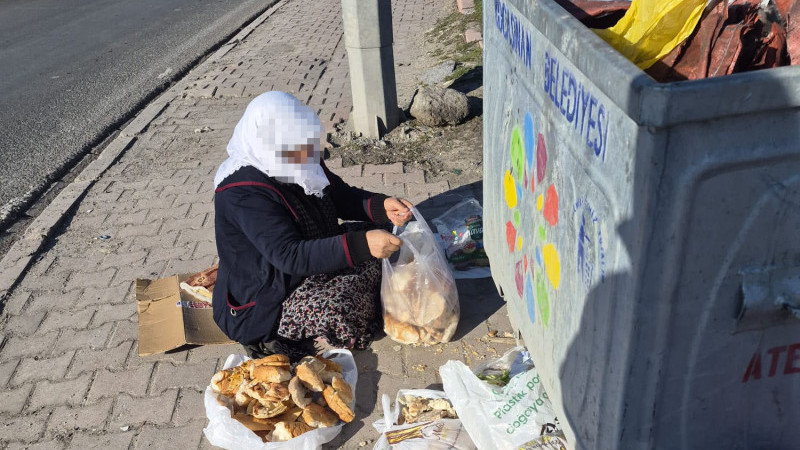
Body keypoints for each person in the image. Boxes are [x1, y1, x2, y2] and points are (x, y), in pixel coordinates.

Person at [212, 91, 413, 361]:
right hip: (271, 290)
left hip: (311, 253)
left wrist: (381, 206)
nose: (304, 151)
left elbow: (338, 195)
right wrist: (364, 245)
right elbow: (290, 255)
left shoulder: (299, 153)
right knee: (341, 309)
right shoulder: (243, 192)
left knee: (387, 240)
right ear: (266, 142)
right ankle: (276, 341)